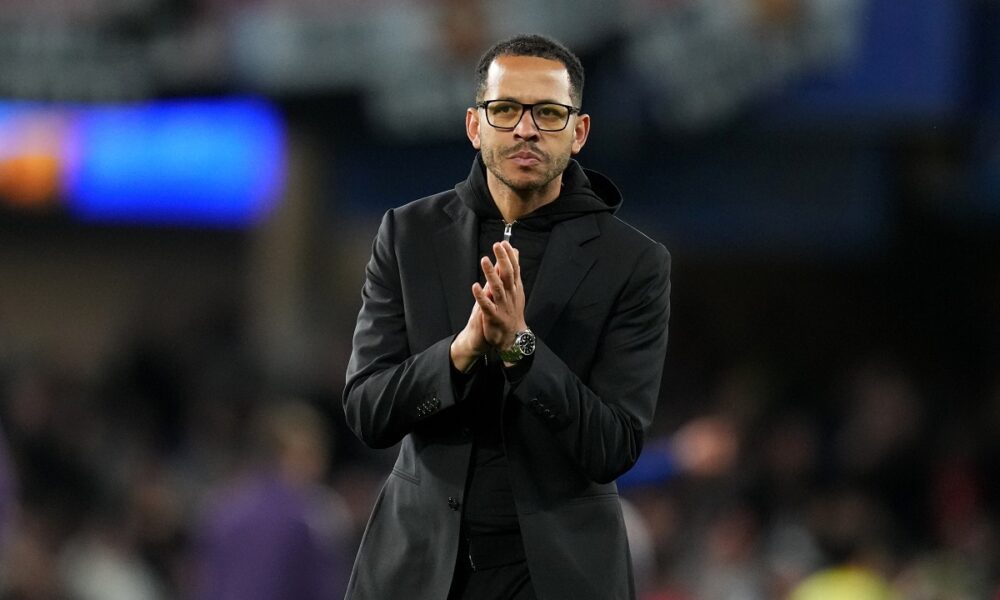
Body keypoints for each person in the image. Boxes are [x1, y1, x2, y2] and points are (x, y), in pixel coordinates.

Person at [343, 33, 671, 600]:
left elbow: (614, 445)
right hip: (419, 569)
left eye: (548, 112)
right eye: (505, 110)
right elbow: (367, 410)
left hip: (557, 575)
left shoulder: (633, 263)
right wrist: (460, 352)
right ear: (476, 125)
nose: (526, 129)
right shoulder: (408, 234)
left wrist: (522, 351)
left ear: (579, 131)